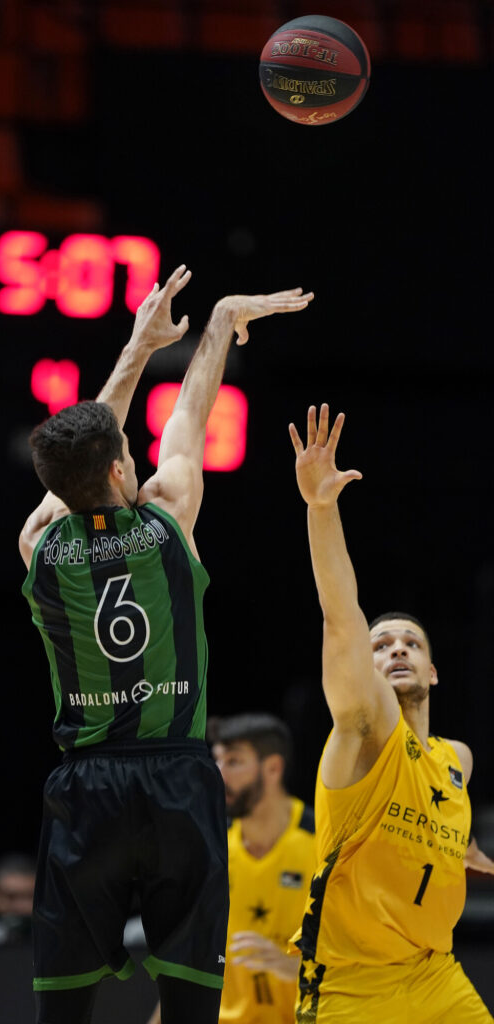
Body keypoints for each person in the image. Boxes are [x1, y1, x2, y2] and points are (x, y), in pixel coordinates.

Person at [19, 265, 314, 1024]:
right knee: (189, 1002)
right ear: (121, 467)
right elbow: (189, 417)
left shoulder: (40, 543)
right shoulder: (167, 519)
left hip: (86, 787)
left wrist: (133, 351)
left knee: (63, 1007)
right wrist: (218, 324)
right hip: (177, 779)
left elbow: (83, 456)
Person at [287, 403, 494, 1023]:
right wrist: (321, 510)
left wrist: (466, 848)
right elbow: (341, 617)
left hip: (436, 975)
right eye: (382, 646)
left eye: (411, 644)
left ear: (433, 671)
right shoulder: (363, 727)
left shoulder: (456, 759)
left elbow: (441, 812)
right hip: (353, 987)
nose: (396, 649)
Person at [146, 713, 316, 1024]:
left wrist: (295, 967)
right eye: (217, 760)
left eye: (234, 762)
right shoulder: (210, 847)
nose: (218, 773)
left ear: (273, 768)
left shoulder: (323, 842)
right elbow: (188, 964)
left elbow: (360, 962)